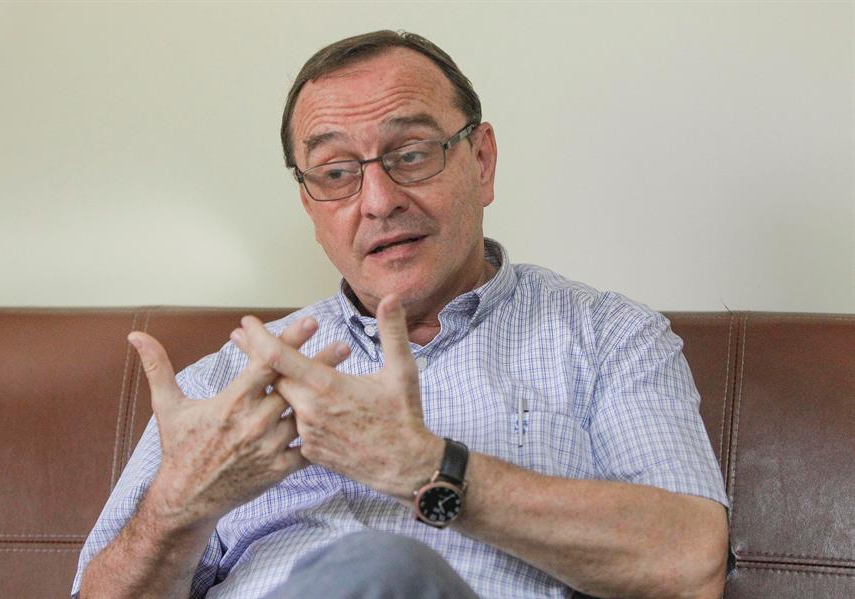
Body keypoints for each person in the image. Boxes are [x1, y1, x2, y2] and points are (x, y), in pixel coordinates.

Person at [73, 30, 730, 598]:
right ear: (309, 205)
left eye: (411, 154)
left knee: (384, 567)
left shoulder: (607, 337)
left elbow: (689, 564)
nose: (378, 200)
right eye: (336, 173)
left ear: (481, 161)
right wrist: (177, 507)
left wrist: (427, 469)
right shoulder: (227, 383)